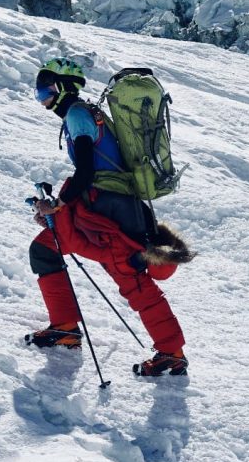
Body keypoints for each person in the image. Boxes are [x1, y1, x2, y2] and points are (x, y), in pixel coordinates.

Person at [27, 57, 190, 377]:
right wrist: (57, 208)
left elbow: (87, 170)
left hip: (108, 211)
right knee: (47, 247)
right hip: (106, 207)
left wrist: (58, 205)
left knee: (132, 279)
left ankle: (171, 352)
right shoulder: (87, 113)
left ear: (61, 88)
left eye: (44, 90)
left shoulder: (76, 114)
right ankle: (65, 327)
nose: (42, 98)